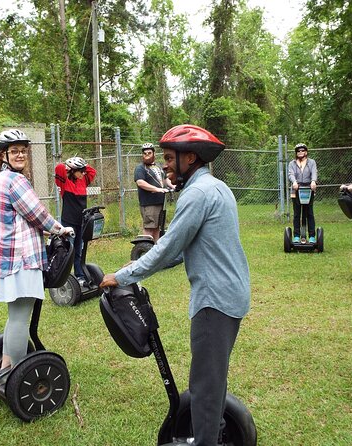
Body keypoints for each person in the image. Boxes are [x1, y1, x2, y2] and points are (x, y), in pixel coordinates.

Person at [100, 124, 250, 446]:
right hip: (232, 295)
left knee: (205, 386)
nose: (165, 165)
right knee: (213, 377)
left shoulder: (195, 195)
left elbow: (167, 247)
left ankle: (207, 441)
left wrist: (123, 276)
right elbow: (185, 250)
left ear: (190, 158)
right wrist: (134, 265)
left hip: (214, 302)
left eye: (169, 158)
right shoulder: (218, 187)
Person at [0, 129, 73, 391]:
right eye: (14, 151)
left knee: (15, 318)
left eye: (23, 149)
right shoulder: (15, 181)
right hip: (21, 259)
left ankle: (4, 370)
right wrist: (60, 229)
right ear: (3, 154)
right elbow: (37, 213)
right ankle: (19, 377)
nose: (20, 154)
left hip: (6, 257)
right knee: (20, 320)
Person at [54, 155, 96, 286]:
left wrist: (83, 163)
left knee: (79, 251)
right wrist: (69, 164)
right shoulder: (64, 182)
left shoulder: (83, 181)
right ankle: (61, 277)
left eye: (84, 171)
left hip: (81, 222)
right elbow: (59, 168)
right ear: (72, 170)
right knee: (67, 251)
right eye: (80, 171)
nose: (84, 173)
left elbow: (92, 171)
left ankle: (79, 276)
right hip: (68, 222)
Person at [134, 142, 174, 241]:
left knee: (157, 227)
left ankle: (154, 249)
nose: (147, 155)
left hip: (160, 202)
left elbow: (165, 179)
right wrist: (158, 189)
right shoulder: (140, 168)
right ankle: (145, 249)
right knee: (149, 227)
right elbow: (140, 182)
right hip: (149, 203)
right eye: (145, 153)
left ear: (154, 154)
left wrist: (173, 186)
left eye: (149, 153)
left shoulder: (158, 167)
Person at [287, 143, 318, 243]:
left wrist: (313, 181)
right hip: (296, 189)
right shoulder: (292, 163)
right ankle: (296, 236)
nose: (300, 152)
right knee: (297, 213)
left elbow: (314, 172)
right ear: (296, 153)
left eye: (302, 150)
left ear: (306, 152)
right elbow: (290, 174)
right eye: (298, 151)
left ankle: (312, 236)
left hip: (309, 188)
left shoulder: (311, 162)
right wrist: (294, 182)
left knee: (309, 213)